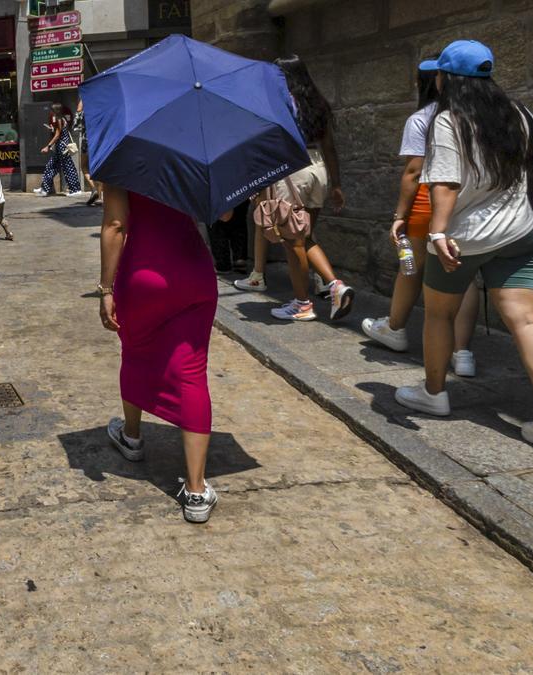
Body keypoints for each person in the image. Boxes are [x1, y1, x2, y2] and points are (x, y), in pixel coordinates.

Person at [393, 40, 533, 453]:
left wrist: (439, 233)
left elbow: (444, 182)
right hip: (519, 231)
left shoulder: (449, 120)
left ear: (446, 77)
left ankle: (434, 393)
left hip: (464, 238)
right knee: (527, 322)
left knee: (439, 316)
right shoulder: (518, 113)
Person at [99, 186, 225, 523]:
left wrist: (106, 289)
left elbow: (115, 225)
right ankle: (196, 490)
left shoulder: (121, 156)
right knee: (192, 373)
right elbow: (224, 214)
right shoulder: (192, 154)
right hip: (193, 272)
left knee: (135, 353)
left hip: (143, 275)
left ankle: (132, 436)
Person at [361, 63, 481, 376]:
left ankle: (395, 327)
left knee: (410, 266)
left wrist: (399, 215)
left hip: (430, 200)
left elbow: (414, 171)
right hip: (467, 200)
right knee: (463, 275)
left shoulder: (423, 118)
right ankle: (462, 352)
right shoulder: (476, 114)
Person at [234, 55, 356, 323]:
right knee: (305, 236)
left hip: (292, 171)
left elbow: (270, 146)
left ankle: (303, 303)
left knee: (293, 241)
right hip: (318, 168)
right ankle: (335, 286)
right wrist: (336, 184)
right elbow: (330, 148)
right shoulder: (317, 103)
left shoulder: (280, 103)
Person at [33, 102, 85, 198]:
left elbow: (57, 135)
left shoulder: (59, 120)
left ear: (55, 111)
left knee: (68, 168)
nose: (50, 112)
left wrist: (48, 146)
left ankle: (75, 189)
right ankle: (44, 188)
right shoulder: (62, 119)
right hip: (60, 147)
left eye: (52, 110)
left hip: (62, 147)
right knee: (51, 166)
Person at [75, 98, 102, 207]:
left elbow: (78, 116)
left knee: (84, 166)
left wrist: (83, 99)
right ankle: (100, 197)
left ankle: (94, 189)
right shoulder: (101, 111)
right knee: (98, 168)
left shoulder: (86, 113)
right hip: (100, 141)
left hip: (87, 140)